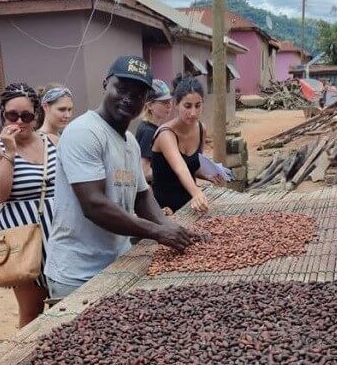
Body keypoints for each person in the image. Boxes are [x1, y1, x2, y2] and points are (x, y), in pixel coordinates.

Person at [45, 55, 199, 299]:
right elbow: (93, 205)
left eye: (138, 94)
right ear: (106, 84)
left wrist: (171, 227)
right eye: (121, 88)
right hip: (78, 273)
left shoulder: (129, 142)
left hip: (117, 264)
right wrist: (157, 232)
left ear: (145, 100)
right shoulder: (85, 132)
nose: (128, 98)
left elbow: (141, 196)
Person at [0, 83, 57, 328]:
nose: (20, 122)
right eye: (13, 115)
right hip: (21, 239)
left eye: (27, 116)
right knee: (31, 312)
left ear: (36, 115)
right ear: (3, 113)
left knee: (64, 304)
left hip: (59, 235)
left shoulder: (53, 141)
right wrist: (10, 153)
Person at [151, 75, 222, 214]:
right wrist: (196, 192)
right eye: (187, 106)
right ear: (176, 105)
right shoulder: (166, 134)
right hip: (164, 208)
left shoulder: (201, 129)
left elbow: (193, 165)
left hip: (189, 205)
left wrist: (209, 175)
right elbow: (180, 168)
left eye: (198, 105)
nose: (193, 112)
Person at [135, 79, 172, 182]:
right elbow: (145, 172)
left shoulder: (150, 127)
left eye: (169, 100)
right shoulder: (148, 132)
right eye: (164, 102)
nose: (169, 105)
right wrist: (173, 171)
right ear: (150, 105)